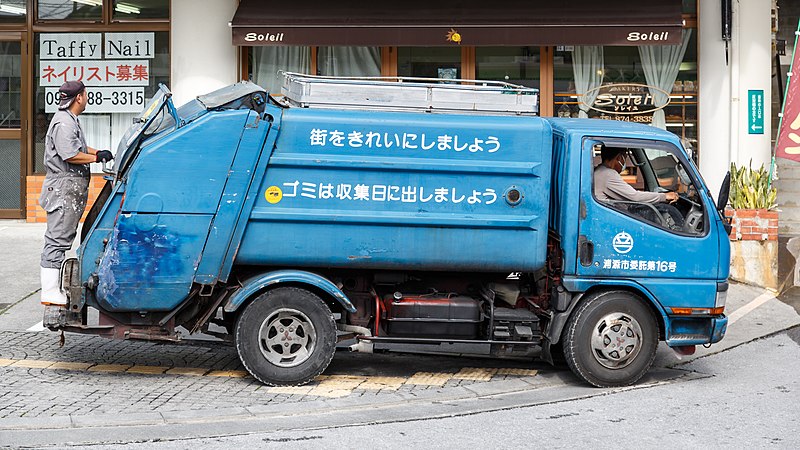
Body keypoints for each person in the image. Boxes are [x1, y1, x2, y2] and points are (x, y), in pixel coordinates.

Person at [40, 81, 113, 323]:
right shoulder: (63, 122)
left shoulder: (69, 119)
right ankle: (50, 292)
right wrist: (94, 158)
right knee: (57, 240)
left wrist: (97, 152)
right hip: (62, 189)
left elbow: (77, 147)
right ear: (79, 98)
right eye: (85, 94)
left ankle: (54, 291)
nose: (87, 97)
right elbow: (69, 154)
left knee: (63, 238)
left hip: (66, 189)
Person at [594, 145, 682, 228]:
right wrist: (665, 196)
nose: (624, 162)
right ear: (619, 158)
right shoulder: (607, 174)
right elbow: (635, 196)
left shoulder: (601, 171)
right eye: (625, 158)